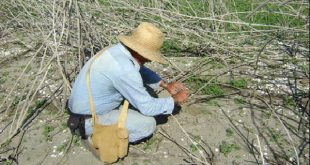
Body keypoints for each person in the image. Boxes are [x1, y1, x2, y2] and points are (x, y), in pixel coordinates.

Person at [68, 22, 189, 144]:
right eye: (149, 55)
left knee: (147, 93)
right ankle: (97, 137)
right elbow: (148, 108)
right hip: (86, 119)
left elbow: (139, 70)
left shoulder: (117, 50)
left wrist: (165, 84)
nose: (150, 59)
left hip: (82, 109)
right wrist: (174, 100)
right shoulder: (124, 70)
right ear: (140, 52)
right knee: (147, 125)